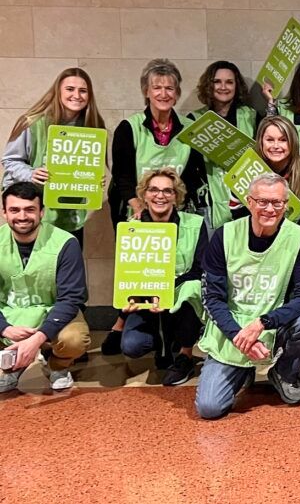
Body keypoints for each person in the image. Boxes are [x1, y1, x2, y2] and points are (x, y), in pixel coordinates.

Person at [195, 172, 300, 420]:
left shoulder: (298, 237)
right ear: (249, 202)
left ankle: (284, 372)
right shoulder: (224, 236)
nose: (270, 209)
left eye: (277, 202)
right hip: (233, 329)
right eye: (262, 201)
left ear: (286, 205)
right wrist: (240, 337)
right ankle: (242, 370)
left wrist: (262, 323)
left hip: (272, 324)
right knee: (209, 408)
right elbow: (212, 299)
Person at [106, 58, 203, 356]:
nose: (163, 93)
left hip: (174, 212)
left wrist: (176, 205)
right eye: (156, 87)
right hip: (136, 211)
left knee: (178, 271)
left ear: (177, 93)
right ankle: (127, 324)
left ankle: (175, 334)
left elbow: (193, 173)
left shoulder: (189, 128)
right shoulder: (129, 127)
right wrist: (138, 204)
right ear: (146, 92)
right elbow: (121, 174)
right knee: (140, 272)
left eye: (169, 88)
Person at [119, 168, 208, 387]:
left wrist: (165, 291)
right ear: (144, 195)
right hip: (146, 302)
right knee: (132, 346)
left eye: (168, 191)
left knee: (193, 287)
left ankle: (185, 354)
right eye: (154, 190)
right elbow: (126, 273)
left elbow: (200, 269)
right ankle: (163, 344)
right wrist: (132, 302)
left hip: (182, 299)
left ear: (176, 196)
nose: (160, 196)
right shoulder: (131, 228)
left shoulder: (195, 224)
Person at [0, 182, 90, 393]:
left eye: (30, 209)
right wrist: (4, 328)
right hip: (9, 314)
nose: (22, 216)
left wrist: (38, 337)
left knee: (74, 340)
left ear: (41, 212)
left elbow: (71, 298)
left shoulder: (66, 242)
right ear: (4, 213)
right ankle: (12, 366)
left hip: (53, 312)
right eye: (15, 210)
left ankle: (57, 367)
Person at [3, 68, 106, 242]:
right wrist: (31, 174)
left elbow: (84, 168)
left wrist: (94, 180)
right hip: (32, 211)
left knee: (68, 257)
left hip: (71, 214)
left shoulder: (93, 126)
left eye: (83, 91)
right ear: (58, 91)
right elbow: (10, 160)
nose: (77, 95)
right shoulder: (33, 122)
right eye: (70, 89)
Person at [231, 116, 300, 235]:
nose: (276, 146)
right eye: (270, 140)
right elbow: (236, 208)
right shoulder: (247, 169)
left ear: (293, 142)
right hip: (256, 236)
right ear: (261, 141)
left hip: (297, 238)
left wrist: (294, 235)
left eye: (283, 140)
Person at [189, 61, 258, 229]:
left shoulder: (251, 116)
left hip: (247, 202)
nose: (223, 87)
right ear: (209, 85)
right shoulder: (195, 120)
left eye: (229, 82)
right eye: (217, 82)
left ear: (237, 86)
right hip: (209, 205)